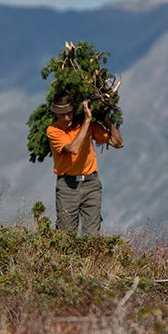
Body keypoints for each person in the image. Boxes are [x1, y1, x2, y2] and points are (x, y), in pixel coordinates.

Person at [45, 95, 124, 235]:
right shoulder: (54, 130)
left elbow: (118, 143)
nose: (67, 118)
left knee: (92, 234)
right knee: (65, 234)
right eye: (63, 115)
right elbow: (73, 149)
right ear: (56, 114)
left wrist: (104, 118)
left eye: (69, 113)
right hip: (67, 187)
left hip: (91, 183)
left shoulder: (88, 126)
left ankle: (91, 257)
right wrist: (87, 121)